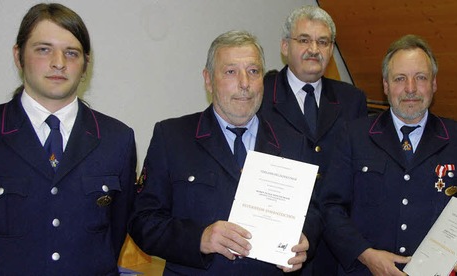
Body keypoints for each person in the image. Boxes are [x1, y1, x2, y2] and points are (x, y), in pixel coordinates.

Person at [128, 30, 320, 275]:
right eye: (231, 72)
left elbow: (313, 211)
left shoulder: (293, 142)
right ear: (208, 80)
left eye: (253, 71)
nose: (244, 84)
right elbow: (142, 221)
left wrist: (306, 239)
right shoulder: (172, 137)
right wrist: (200, 238)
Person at [0, 3, 136, 275]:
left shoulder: (116, 138)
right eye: (43, 49)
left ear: (85, 64)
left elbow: (116, 230)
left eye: (71, 53)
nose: (58, 63)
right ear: (18, 55)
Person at [319, 34, 457, 275]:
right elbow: (331, 206)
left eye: (420, 78)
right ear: (385, 85)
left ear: (434, 84)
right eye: (400, 79)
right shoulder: (354, 135)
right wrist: (365, 255)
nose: (410, 89)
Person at [259, 6, 368, 274]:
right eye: (304, 40)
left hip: (335, 248)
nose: (314, 49)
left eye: (323, 42)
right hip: (279, 246)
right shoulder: (260, 94)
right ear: (285, 46)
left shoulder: (352, 100)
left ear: (331, 50)